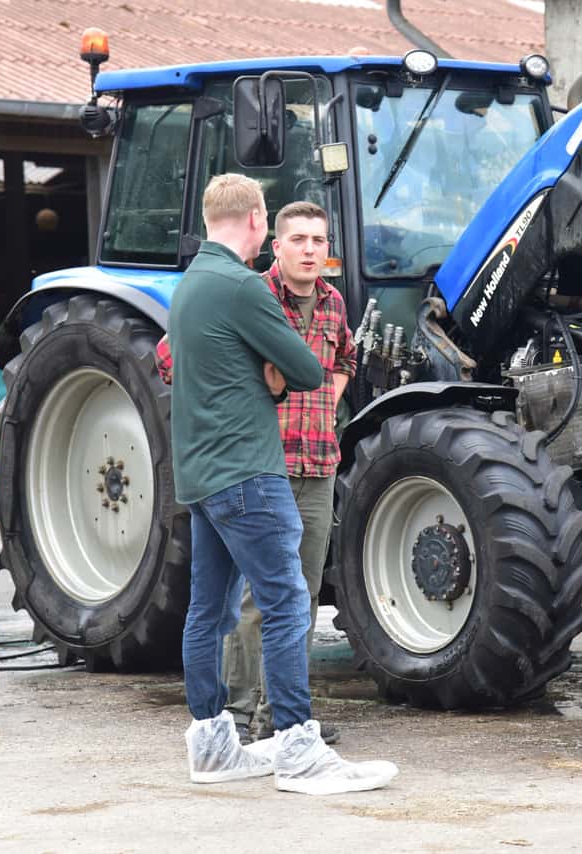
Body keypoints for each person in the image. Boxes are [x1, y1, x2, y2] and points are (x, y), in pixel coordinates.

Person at [170, 173, 396, 794]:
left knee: (208, 609)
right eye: (281, 227)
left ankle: (214, 745)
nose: (302, 244)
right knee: (286, 602)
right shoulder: (243, 287)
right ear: (256, 222)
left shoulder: (191, 283)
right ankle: (298, 748)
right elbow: (302, 367)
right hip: (249, 469)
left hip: (205, 473)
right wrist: (271, 373)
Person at [222, 201, 355, 745]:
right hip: (263, 467)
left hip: (318, 465)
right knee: (257, 595)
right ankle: (235, 715)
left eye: (318, 241)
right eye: (298, 239)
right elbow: (179, 360)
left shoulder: (332, 303)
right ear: (276, 246)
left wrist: (326, 399)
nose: (309, 249)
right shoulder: (249, 297)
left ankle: (284, 719)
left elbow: (344, 359)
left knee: (301, 594)